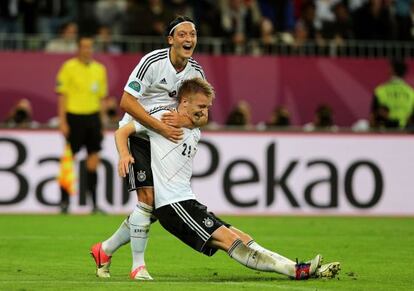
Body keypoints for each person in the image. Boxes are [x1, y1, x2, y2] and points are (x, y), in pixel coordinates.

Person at [116, 78, 341, 280]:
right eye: (201, 107)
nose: (205, 112)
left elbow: (195, 122)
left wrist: (190, 120)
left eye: (207, 108)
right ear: (183, 102)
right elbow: (122, 131)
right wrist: (125, 155)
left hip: (187, 201)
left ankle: (299, 267)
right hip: (172, 205)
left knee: (242, 237)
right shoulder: (161, 118)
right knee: (230, 241)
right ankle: (295, 271)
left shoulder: (193, 125)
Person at [90, 16, 206, 280]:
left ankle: (104, 249)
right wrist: (158, 126)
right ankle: (138, 266)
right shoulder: (152, 62)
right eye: (182, 34)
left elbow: (204, 115)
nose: (189, 39)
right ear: (171, 39)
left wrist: (187, 121)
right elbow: (126, 102)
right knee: (147, 200)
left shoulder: (196, 72)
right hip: (139, 132)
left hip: (167, 138)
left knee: (157, 207)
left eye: (193, 34)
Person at [56, 36, 108, 214]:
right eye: (84, 47)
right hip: (74, 117)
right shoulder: (68, 67)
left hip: (93, 118)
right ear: (78, 48)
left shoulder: (99, 69)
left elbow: (101, 99)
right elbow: (62, 96)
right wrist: (62, 121)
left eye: (90, 47)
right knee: (69, 160)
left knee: (93, 161)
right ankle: (64, 202)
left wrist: (101, 123)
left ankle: (93, 204)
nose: (87, 50)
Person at [370, 59, 414, 129]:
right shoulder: (411, 92)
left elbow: (372, 117)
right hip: (405, 132)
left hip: (385, 132)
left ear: (391, 70)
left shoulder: (380, 91)